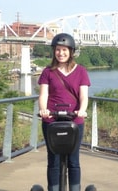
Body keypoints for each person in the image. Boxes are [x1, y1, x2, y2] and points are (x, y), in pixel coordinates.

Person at [38, 33, 91, 191]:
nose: (61, 53)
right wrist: (43, 109)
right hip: (51, 120)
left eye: (65, 50)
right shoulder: (48, 71)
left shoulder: (81, 71)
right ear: (54, 51)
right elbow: (43, 95)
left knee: (73, 160)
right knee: (53, 160)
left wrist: (82, 110)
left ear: (71, 52)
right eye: (58, 50)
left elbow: (83, 96)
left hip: (74, 121)